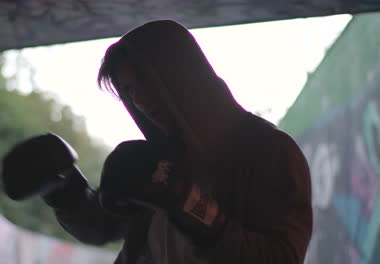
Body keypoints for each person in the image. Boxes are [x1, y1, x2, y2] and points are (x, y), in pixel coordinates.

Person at [43, 20, 313, 263]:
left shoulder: (269, 150)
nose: (141, 99)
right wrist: (65, 191)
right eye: (129, 90)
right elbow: (106, 227)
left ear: (182, 74)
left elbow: (282, 257)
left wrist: (195, 212)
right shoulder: (159, 157)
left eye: (147, 81)